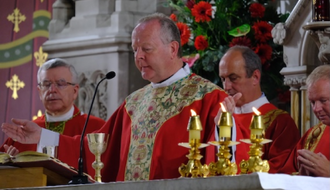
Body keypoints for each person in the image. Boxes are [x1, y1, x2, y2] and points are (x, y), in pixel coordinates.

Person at [1, 13, 228, 181]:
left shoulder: (208, 98)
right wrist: (42, 136)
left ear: (172, 48)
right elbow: (96, 151)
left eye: (146, 49)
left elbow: (220, 163)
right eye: (134, 49)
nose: (138, 57)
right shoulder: (134, 103)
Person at [0, 58, 105, 165]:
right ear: (39, 92)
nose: (52, 90)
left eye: (60, 84)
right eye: (46, 84)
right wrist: (10, 165)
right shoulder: (23, 134)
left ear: (75, 91)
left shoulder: (96, 128)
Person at [216, 45, 300, 173]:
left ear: (255, 77)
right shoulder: (219, 119)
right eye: (223, 79)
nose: (226, 87)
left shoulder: (279, 121)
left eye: (233, 78)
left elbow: (282, 172)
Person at [279, 65, 330, 177]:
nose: (316, 109)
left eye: (323, 100)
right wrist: (301, 177)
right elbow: (287, 175)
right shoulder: (313, 136)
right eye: (312, 102)